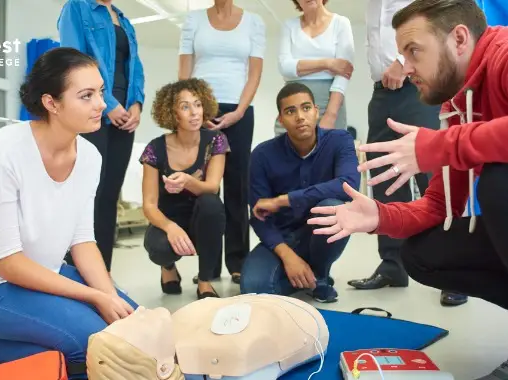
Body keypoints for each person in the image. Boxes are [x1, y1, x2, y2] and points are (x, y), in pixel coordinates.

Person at [308, 0, 508, 379]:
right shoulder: (460, 103)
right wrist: (380, 216)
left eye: (414, 51)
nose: (406, 67)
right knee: (424, 253)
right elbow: (438, 205)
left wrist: (440, 146)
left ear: (459, 38)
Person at [0, 47, 138, 378]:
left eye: (100, 92)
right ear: (51, 103)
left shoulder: (89, 157)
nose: (101, 104)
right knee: (93, 347)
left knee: (131, 327)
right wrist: (93, 296)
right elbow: (9, 264)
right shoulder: (2, 153)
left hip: (43, 273)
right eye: (86, 96)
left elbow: (82, 240)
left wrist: (109, 295)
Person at [347, 0, 467, 307]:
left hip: (418, 84)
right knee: (383, 171)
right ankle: (392, 264)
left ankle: (452, 270)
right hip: (382, 91)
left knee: (434, 171)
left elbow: (435, 27)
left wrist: (404, 60)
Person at [240, 82, 359, 303]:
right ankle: (305, 275)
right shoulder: (262, 155)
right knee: (253, 288)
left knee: (331, 207)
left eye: (305, 108)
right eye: (290, 111)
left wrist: (285, 200)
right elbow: (259, 216)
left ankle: (320, 274)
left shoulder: (340, 141)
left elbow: (349, 185)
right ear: (280, 119)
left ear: (316, 111)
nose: (300, 117)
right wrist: (287, 256)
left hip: (320, 233)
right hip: (282, 238)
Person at [178, 0, 265, 285]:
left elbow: (254, 73)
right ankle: (209, 266)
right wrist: (193, 110)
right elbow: (184, 73)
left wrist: (239, 112)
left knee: (237, 189)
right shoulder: (193, 20)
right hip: (200, 111)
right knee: (205, 190)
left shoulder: (254, 22)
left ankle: (238, 262)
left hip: (238, 111)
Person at [58, 0, 146, 272]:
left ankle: (102, 273)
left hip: (124, 117)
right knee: (87, 196)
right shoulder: (77, 7)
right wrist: (108, 103)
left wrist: (136, 104)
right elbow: (73, 61)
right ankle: (77, 275)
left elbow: (136, 67)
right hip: (92, 110)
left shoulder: (124, 19)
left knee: (109, 196)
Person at [140, 78, 230, 299]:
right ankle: (168, 267)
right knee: (159, 248)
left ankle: (204, 280)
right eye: (185, 106)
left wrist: (188, 181)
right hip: (167, 220)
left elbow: (212, 187)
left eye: (198, 104)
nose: (195, 113)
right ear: (172, 113)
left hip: (201, 218)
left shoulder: (215, 140)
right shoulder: (155, 148)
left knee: (212, 203)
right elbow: (149, 205)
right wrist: (170, 228)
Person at [275, 0, 355, 135]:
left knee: (329, 152)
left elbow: (344, 72)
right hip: (292, 101)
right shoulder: (289, 26)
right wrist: (327, 63)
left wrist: (331, 115)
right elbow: (285, 67)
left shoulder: (341, 23)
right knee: (287, 153)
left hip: (330, 101)